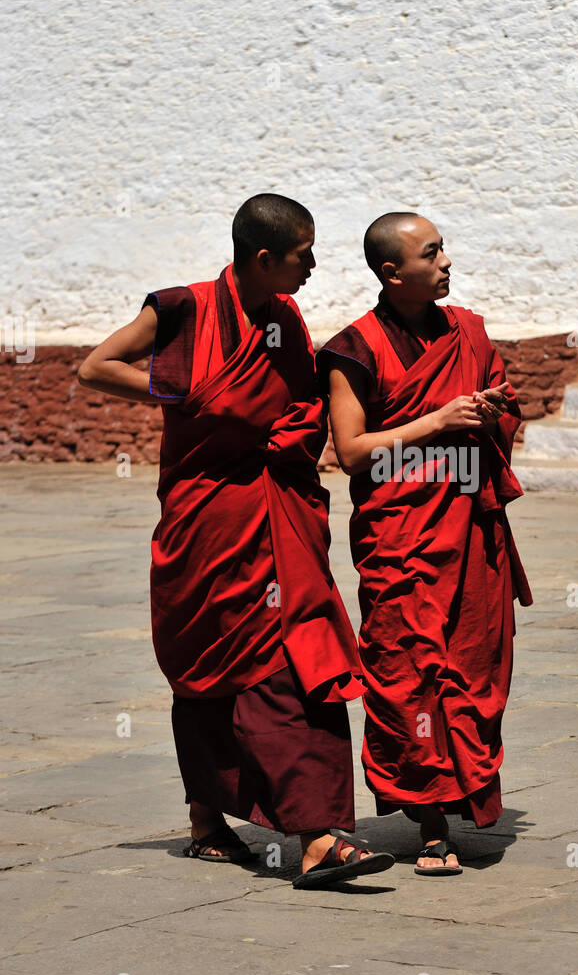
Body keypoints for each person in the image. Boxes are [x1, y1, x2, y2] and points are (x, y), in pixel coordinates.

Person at [78, 193, 395, 889]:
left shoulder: (283, 318)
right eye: (301, 255)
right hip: (205, 519)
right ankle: (208, 821)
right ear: (263, 258)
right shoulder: (182, 309)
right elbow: (95, 367)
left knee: (294, 664)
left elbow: (301, 400)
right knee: (205, 670)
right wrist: (184, 393)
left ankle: (315, 835)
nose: (312, 266)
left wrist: (300, 428)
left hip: (274, 510)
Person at [319, 212, 532, 876]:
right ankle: (431, 819)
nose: (446, 262)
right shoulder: (354, 349)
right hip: (401, 533)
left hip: (472, 524)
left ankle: (459, 793)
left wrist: (493, 407)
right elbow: (353, 452)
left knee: (473, 667)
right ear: (392, 272)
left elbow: (502, 398)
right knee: (409, 670)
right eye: (431, 253)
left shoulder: (465, 329)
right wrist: (438, 418)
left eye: (443, 249)